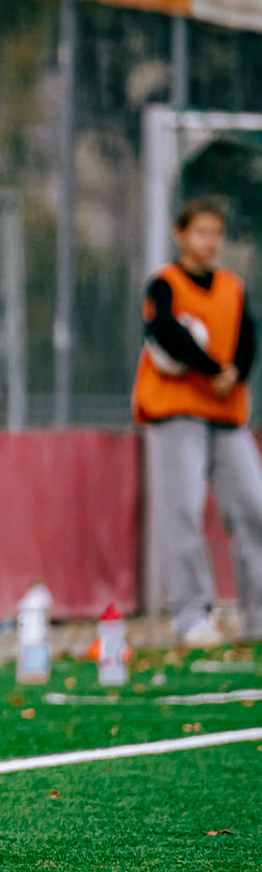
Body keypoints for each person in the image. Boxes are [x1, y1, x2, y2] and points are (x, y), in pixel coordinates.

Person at [134, 198, 262, 645]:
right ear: (181, 235)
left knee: (253, 508)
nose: (210, 242)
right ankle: (192, 617)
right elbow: (167, 332)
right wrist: (212, 369)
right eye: (201, 232)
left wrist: (236, 373)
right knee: (184, 511)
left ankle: (258, 617)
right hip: (178, 412)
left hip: (227, 415)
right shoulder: (164, 284)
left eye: (216, 233)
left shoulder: (232, 286)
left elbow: (248, 338)